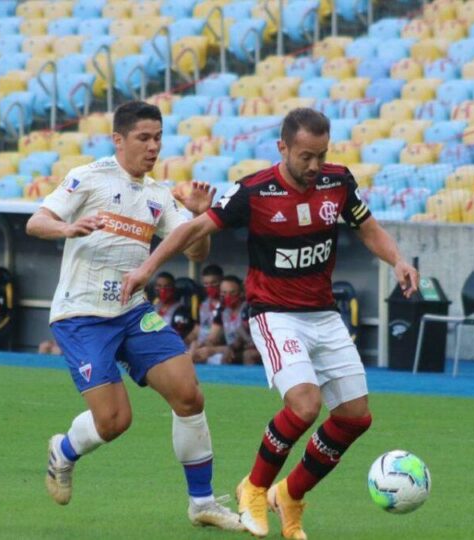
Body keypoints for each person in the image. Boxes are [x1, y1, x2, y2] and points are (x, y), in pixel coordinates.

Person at [121, 107, 419, 538]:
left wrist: (398, 260)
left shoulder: (338, 182)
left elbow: (367, 227)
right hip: (275, 314)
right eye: (305, 157)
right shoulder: (254, 191)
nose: (315, 166)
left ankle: (290, 494)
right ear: (283, 148)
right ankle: (254, 488)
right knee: (304, 405)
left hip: (323, 312)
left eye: (321, 155)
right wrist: (148, 269)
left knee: (355, 417)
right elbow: (192, 231)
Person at [24, 100, 242, 531]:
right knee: (114, 421)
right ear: (118, 140)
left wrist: (199, 215)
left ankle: (201, 503)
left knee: (188, 394)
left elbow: (196, 249)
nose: (153, 146)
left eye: (158, 138)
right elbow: (37, 221)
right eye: (144, 138)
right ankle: (64, 451)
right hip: (82, 315)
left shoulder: (159, 196)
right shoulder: (88, 178)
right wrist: (67, 227)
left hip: (131, 312)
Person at [191, 275, 256, 365]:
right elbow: (212, 337)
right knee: (199, 352)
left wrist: (214, 350)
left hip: (249, 348)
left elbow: (241, 342)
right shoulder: (222, 311)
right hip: (231, 349)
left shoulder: (248, 309)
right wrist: (201, 345)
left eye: (232, 293)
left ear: (241, 293)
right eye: (224, 293)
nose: (228, 296)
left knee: (245, 354)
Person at [187, 264, 223, 348]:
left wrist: (197, 345)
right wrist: (182, 342)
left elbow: (214, 338)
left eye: (214, 283)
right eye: (206, 284)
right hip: (200, 346)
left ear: (221, 282)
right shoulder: (204, 304)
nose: (210, 287)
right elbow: (196, 330)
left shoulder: (225, 306)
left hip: (216, 348)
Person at [153, 271, 194, 340]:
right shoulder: (154, 307)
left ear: (173, 288)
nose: (163, 290)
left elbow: (178, 336)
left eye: (167, 286)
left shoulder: (181, 310)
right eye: (159, 286)